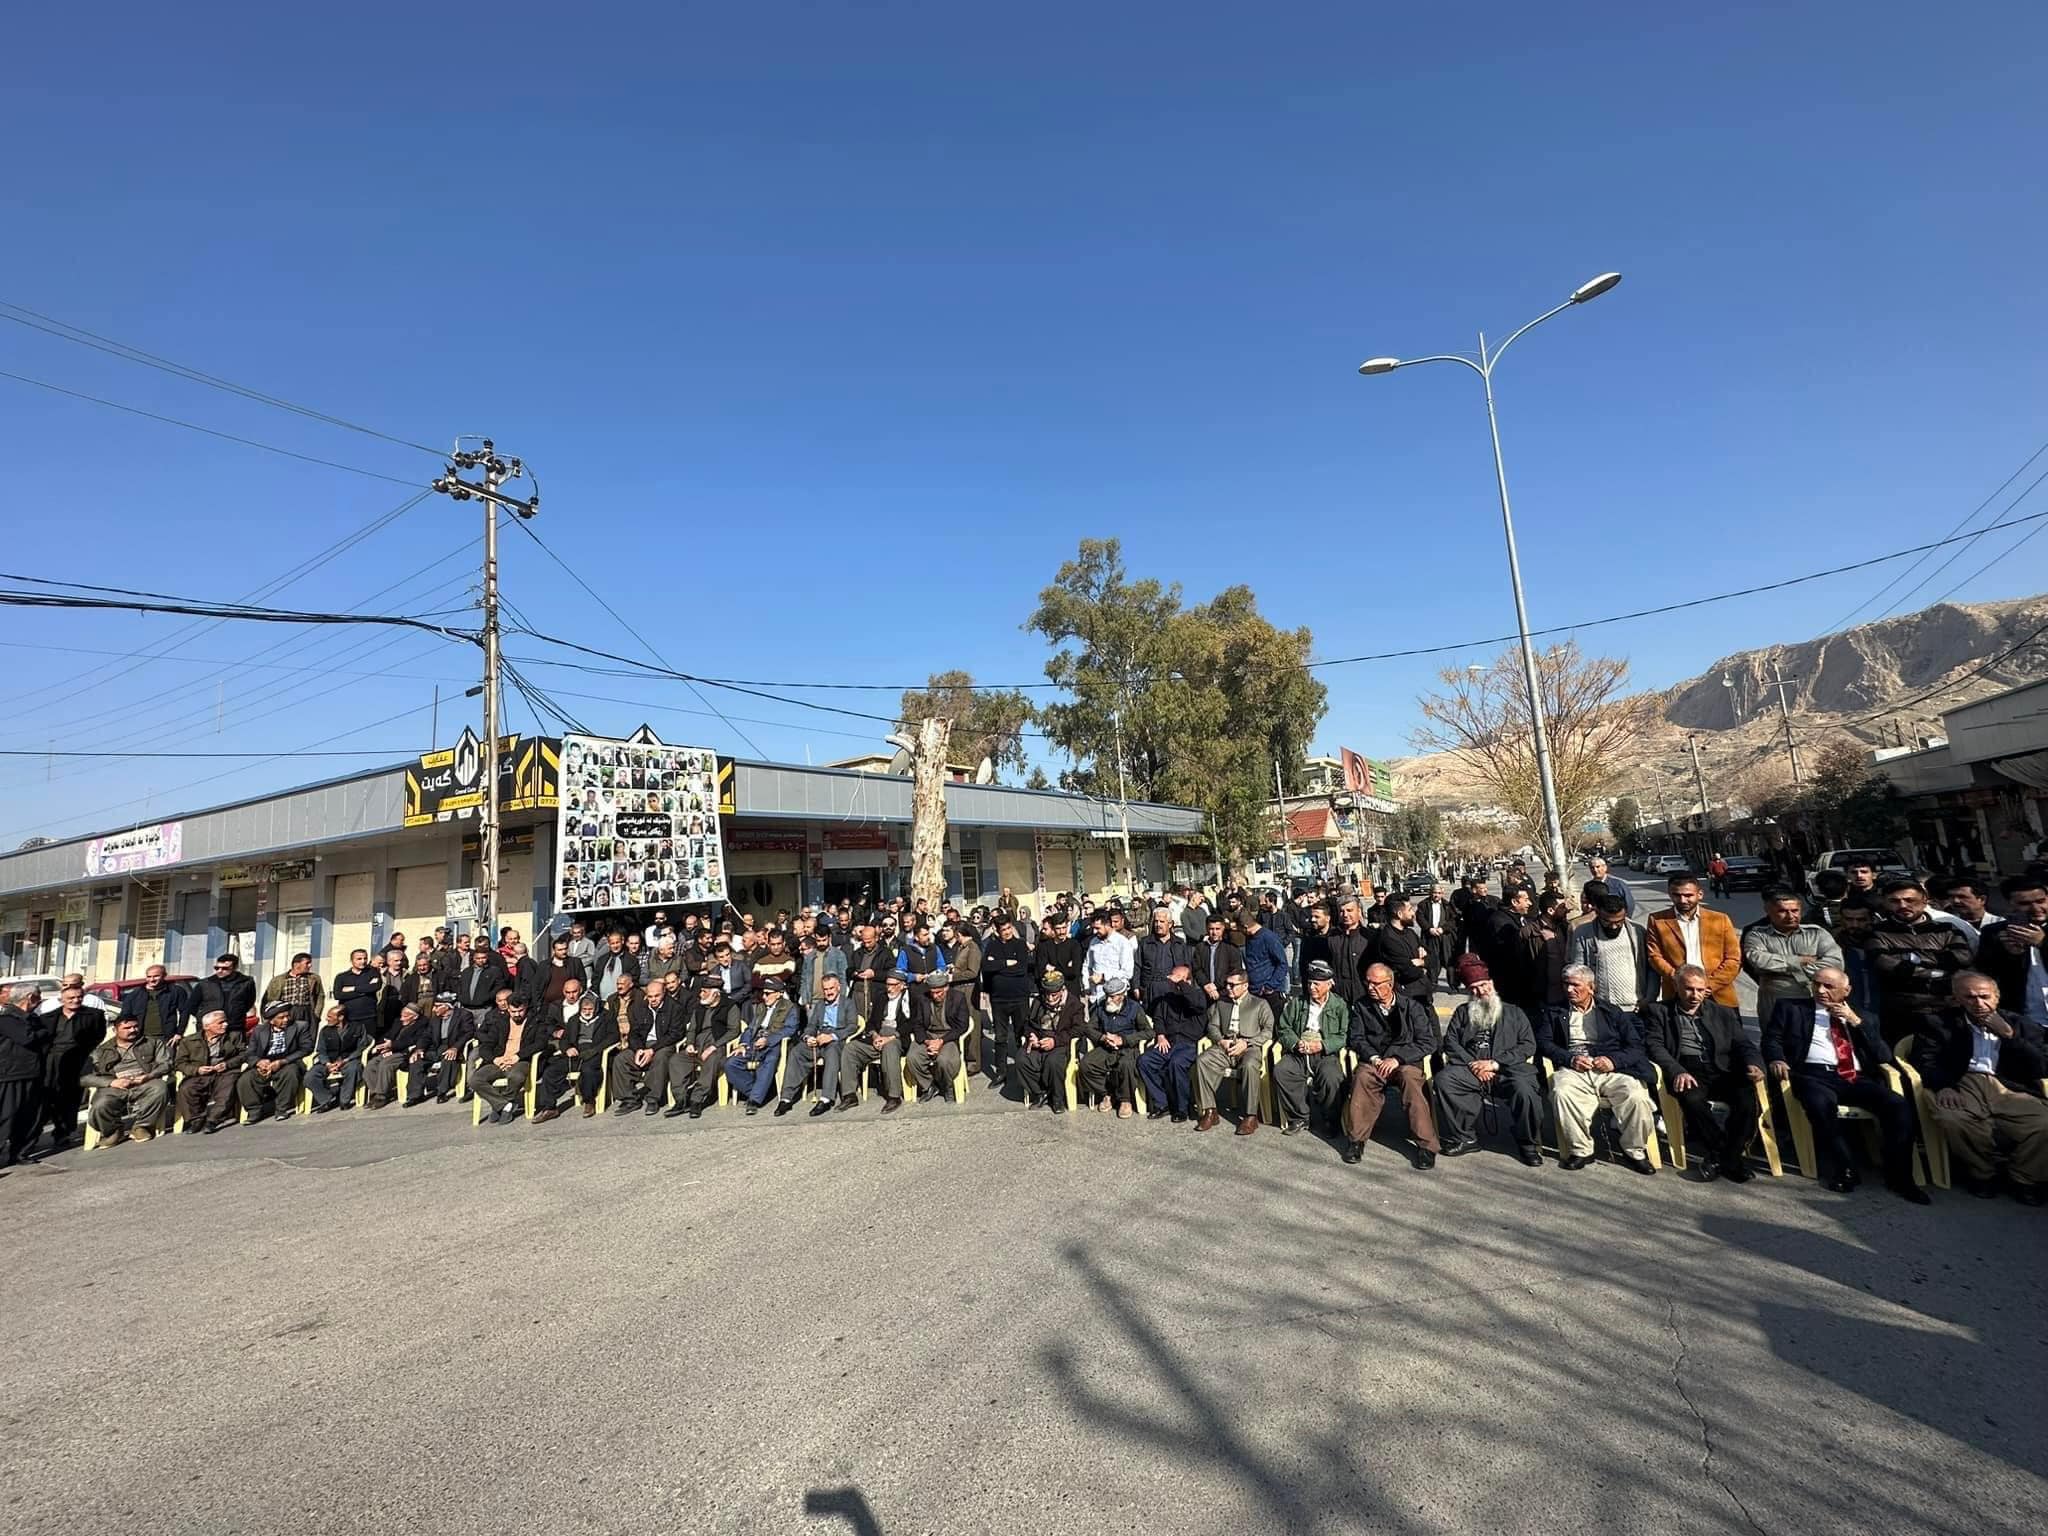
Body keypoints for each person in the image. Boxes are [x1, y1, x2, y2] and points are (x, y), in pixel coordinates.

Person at [1764, 965, 1927, 1202]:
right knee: (1820, 1104)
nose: (1820, 990)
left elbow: (1883, 1056)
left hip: (1855, 1077)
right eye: (1816, 984)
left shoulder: (1864, 1017)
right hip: (1813, 1074)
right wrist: (1777, 1059)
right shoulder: (1791, 1008)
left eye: (1828, 986)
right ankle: (1845, 1167)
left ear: (1846, 990)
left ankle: (1901, 1178)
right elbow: (1772, 1039)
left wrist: (1855, 1022)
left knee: (1898, 1105)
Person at [1909, 971, 2048, 1203]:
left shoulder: (2021, 1024)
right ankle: (1983, 1173)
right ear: (1957, 999)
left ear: (1997, 997)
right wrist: (1943, 1086)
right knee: (1954, 1118)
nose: (1979, 1003)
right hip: (1961, 1081)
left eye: (1985, 996)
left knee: (2044, 1124)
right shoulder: (1937, 1023)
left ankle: (2025, 1178)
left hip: (2008, 1086)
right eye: (1970, 997)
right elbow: (1924, 1060)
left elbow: (2041, 1066)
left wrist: (2009, 1035)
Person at [1640, 964, 1764, 1182]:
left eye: (1700, 990)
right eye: (1689, 989)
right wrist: (1677, 1070)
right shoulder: (1659, 1012)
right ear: (1677, 987)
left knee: (1746, 1100)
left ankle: (1724, 1156)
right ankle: (1727, 1157)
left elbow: (1743, 1044)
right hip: (1687, 1069)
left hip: (1721, 1068)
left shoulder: (1723, 1013)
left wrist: (1754, 1063)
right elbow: (1655, 1046)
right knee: (1693, 1100)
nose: (1695, 995)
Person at [1537, 964, 1657, 1174]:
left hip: (1611, 1070)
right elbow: (1544, 1043)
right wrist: (1570, 1059)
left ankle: (1634, 1150)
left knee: (1636, 1096)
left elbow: (1636, 1046)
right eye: (1566, 984)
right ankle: (1581, 1149)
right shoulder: (1554, 1012)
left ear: (1591, 987)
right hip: (1574, 1069)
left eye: (1575, 985)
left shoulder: (1612, 1012)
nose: (1569, 990)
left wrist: (1613, 1061)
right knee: (1561, 1091)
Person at [1433, 957, 1544, 1167]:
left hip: (1507, 1070)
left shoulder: (1514, 1012)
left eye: (1483, 985)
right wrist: (1473, 1065)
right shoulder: (1462, 1012)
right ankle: (1466, 1137)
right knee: (1445, 1080)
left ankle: (1527, 1143)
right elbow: (1451, 1043)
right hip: (1471, 1069)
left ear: (1491, 983)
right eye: (1474, 988)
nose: (1480, 991)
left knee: (1525, 1090)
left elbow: (1528, 1045)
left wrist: (1495, 1064)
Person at [1339, 964, 1442, 1168]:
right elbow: (1356, 1038)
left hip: (1404, 1062)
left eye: (1376, 984)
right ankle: (1356, 1141)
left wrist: (1398, 1059)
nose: (1370, 987)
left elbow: (1427, 1042)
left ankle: (1426, 1146)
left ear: (1390, 984)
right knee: (1363, 1078)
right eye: (1368, 982)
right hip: (1375, 1060)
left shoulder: (1412, 1007)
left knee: (1412, 1081)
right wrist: (1374, 1058)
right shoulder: (1362, 1006)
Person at [1865, 877, 1974, 1043]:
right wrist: (1939, 971)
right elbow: (1886, 964)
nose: (1902, 906)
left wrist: (1911, 957)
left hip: (1947, 1008)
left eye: (1910, 900)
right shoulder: (1877, 932)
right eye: (1894, 901)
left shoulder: (1947, 928)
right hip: (1902, 1011)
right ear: (1885, 903)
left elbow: (1962, 957)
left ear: (1924, 900)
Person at [1742, 890, 1846, 1025]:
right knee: (1776, 1036)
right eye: (1782, 911)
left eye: (1795, 911)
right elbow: (1758, 960)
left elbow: (1836, 963)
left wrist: (1781, 968)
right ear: (1768, 911)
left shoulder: (1817, 933)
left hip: (1813, 997)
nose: (1790, 916)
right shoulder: (1757, 936)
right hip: (1775, 999)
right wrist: (1799, 961)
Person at [1272, 960, 1348, 1136]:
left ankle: (1330, 1119)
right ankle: (1300, 1117)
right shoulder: (1297, 1003)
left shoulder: (1339, 1005)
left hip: (1324, 1053)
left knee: (1332, 1077)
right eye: (1309, 983)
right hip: (1299, 1051)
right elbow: (1283, 1028)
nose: (1311, 987)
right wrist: (1295, 1043)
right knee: (1282, 1071)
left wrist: (1322, 1045)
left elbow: (1343, 1035)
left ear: (1329, 985)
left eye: (1316, 984)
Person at [1646, 874, 1743, 1006]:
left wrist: (1710, 985)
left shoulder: (1720, 920)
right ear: (1670, 894)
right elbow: (1654, 956)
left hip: (1718, 994)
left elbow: (1734, 958)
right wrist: (1678, 980)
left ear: (1700, 894)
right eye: (1677, 895)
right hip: (1677, 994)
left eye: (1688, 895)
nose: (1682, 900)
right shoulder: (1658, 920)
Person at [1195, 968, 1270, 1135]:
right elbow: (1212, 1026)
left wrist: (1247, 1042)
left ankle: (1250, 1116)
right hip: (1226, 1045)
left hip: (1249, 1047)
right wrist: (1220, 1041)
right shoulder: (1222, 1003)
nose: (1228, 988)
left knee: (1250, 1065)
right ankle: (1210, 1111)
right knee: (1203, 1060)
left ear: (1245, 985)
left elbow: (1268, 1030)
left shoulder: (1259, 1004)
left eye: (1232, 985)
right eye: (1227, 984)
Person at [80, 1014, 170, 1149]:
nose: (133, 1030)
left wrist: (149, 1076)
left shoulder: (152, 1043)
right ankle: (113, 1131)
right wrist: (111, 1083)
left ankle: (142, 1126)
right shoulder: (101, 1051)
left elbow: (166, 1064)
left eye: (135, 1026)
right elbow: (84, 1077)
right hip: (114, 1086)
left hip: (145, 1082)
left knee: (160, 1088)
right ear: (115, 1030)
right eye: (127, 1028)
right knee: (100, 1104)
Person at [1971, 873, 2048, 1027]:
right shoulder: (1994, 933)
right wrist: (2011, 955)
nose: (2036, 908)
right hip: (2025, 1019)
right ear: (2010, 904)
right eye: (2025, 903)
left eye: (2041, 901)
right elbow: (1986, 975)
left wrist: (2043, 943)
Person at [1136, 964, 1208, 1123]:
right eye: (1173, 978)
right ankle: (1162, 1103)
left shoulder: (1198, 995)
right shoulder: (1167, 998)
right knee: (1144, 1061)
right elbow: (1158, 1018)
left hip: (1189, 1044)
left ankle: (1182, 1108)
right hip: (1169, 1042)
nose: (1174, 982)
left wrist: (1181, 983)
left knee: (1176, 1063)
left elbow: (1197, 1005)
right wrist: (1161, 1035)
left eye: (1179, 979)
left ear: (1188, 981)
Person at [39, 981, 104, 1153]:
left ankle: (63, 1134)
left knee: (69, 1099)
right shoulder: (48, 1017)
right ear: (62, 999)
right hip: (51, 1061)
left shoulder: (94, 1015)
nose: (75, 1000)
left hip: (77, 1060)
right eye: (71, 998)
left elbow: (98, 1036)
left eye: (79, 997)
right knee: (47, 1097)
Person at [667, 971, 742, 1118]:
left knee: (712, 1060)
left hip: (717, 1045)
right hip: (698, 1045)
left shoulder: (730, 1006)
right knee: (676, 1060)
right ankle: (681, 1099)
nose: (701, 994)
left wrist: (714, 1046)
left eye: (704, 992)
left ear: (715, 994)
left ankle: (697, 1099)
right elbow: (692, 1029)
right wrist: (690, 1043)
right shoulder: (699, 1007)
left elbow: (734, 1030)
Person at [778, 972, 854, 1117]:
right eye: (825, 989)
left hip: (836, 1039)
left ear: (838, 987)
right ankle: (786, 1098)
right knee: (797, 1052)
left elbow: (852, 1026)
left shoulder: (848, 1003)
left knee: (832, 1053)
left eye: (831, 988)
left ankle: (826, 1099)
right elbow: (811, 1025)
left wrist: (831, 1036)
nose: (828, 992)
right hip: (819, 1037)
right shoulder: (820, 1005)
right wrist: (808, 1037)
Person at [724, 973, 801, 1114]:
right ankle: (756, 1091)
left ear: (778, 994)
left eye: (768, 994)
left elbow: (790, 1029)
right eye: (763, 993)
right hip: (755, 1041)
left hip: (773, 1043)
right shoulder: (761, 1007)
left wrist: (768, 1040)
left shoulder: (790, 1008)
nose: (764, 997)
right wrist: (743, 1044)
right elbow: (750, 1028)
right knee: (730, 1063)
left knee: (770, 1061)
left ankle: (754, 1100)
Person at [839, 970, 910, 1113]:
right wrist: (875, 1036)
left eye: (893, 985)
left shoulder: (911, 999)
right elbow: (871, 1022)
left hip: (896, 1037)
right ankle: (849, 1094)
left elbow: (912, 1024)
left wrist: (890, 1038)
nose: (889, 988)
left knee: (889, 1048)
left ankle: (894, 1096)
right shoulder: (881, 997)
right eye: (887, 984)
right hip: (879, 1036)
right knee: (851, 1048)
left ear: (902, 985)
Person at [534, 990, 611, 1123]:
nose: (587, 1012)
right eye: (584, 1009)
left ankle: (589, 1101)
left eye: (590, 1009)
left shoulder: (606, 1018)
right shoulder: (574, 1020)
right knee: (551, 1071)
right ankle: (549, 1107)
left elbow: (612, 1037)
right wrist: (567, 1048)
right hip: (575, 1052)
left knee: (588, 1071)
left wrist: (595, 1050)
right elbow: (564, 1040)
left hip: (594, 1052)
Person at [979, 911, 1035, 1090]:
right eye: (1003, 930)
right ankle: (1001, 1072)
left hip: (1019, 997)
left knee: (1021, 1034)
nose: (1008, 932)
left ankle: (1024, 1069)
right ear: (997, 931)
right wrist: (1006, 963)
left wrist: (998, 967)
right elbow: (986, 967)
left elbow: (1021, 969)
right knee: (1000, 1037)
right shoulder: (992, 946)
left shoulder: (1020, 944)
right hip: (999, 999)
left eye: (1009, 928)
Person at [1570, 895, 1653, 1016]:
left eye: (1619, 922)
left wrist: (1649, 998)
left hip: (1636, 1008)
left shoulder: (1638, 932)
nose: (1613, 927)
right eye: (1607, 922)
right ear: (1597, 913)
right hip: (1601, 1009)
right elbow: (1579, 971)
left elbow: (1652, 968)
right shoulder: (1583, 933)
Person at [1017, 966, 1084, 1113]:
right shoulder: (1038, 1001)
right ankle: (1039, 1093)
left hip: (1061, 1043)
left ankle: (1057, 1098)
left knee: (1053, 1062)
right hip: (1040, 1040)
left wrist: (1055, 1041)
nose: (1050, 998)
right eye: (1047, 994)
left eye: (1054, 995)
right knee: (1022, 1059)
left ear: (1061, 990)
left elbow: (1078, 1030)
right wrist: (1031, 1036)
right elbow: (1028, 1023)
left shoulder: (1074, 1004)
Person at [1078, 976, 1147, 1117]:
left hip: (1127, 1047)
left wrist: (1124, 1040)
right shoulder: (1101, 1007)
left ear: (1122, 995)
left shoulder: (1134, 1008)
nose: (1109, 1000)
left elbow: (1148, 1032)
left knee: (1126, 1065)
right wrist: (1103, 1038)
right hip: (1106, 1046)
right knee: (1086, 1064)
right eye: (1107, 996)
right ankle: (1107, 1093)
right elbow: (1089, 1028)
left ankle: (1125, 1100)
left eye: (1113, 997)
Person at [470, 992, 542, 1126]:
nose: (517, 1014)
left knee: (516, 1077)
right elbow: (486, 1045)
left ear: (526, 1007)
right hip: (499, 1059)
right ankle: (505, 1105)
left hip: (520, 1060)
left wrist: (518, 1056)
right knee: (475, 1080)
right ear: (508, 1009)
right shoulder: (500, 1022)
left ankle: (501, 1105)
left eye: (520, 1011)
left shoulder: (535, 1021)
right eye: (513, 1011)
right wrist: (495, 1059)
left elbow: (540, 1043)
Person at [611, 976, 680, 1115]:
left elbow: (675, 1034)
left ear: (664, 993)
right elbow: (634, 1033)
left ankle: (653, 1099)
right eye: (650, 996)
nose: (653, 999)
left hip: (662, 1044)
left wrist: (652, 1050)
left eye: (657, 996)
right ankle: (630, 1099)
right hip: (642, 1044)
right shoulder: (639, 1008)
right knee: (621, 1059)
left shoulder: (674, 1007)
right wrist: (638, 1049)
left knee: (661, 1058)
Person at [1, 984, 54, 1164]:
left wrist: (42, 1032)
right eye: (38, 997)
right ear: (30, 997)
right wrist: (43, 1032)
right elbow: (27, 1038)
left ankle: (20, 1153)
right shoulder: (7, 1018)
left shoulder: (33, 1019)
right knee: (7, 1117)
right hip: (11, 1075)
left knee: (30, 1116)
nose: (40, 1001)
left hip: (34, 1073)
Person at [172, 1008, 245, 1134]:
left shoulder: (234, 1036)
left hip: (225, 1072)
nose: (225, 1024)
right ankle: (196, 1119)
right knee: (186, 1089)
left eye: (225, 1021)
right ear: (207, 1026)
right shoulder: (189, 1041)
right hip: (200, 1074)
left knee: (226, 1091)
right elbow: (179, 1063)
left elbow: (244, 1054)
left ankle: (213, 1120)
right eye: (220, 1022)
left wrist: (227, 1064)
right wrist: (197, 1070)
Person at [239, 1001, 313, 1122]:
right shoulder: (259, 1030)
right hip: (265, 1063)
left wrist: (282, 1062)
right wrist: (258, 1062)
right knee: (245, 1079)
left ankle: (281, 1109)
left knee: (291, 1073)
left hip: (287, 1062)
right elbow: (249, 1053)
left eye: (287, 1016)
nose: (286, 1019)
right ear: (271, 1020)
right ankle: (254, 1111)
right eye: (281, 1017)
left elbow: (306, 1048)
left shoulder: (300, 1026)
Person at [905, 971, 971, 1104]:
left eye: (939, 992)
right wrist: (927, 1041)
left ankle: (947, 1086)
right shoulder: (922, 998)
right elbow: (917, 1024)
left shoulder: (958, 998)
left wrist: (941, 1041)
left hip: (949, 1036)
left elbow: (962, 1025)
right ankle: (929, 1086)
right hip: (928, 1035)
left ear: (946, 987)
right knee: (912, 1057)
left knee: (945, 1061)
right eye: (933, 993)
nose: (935, 996)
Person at [307, 1002, 368, 1113]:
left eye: (330, 1017)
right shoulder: (325, 1031)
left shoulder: (357, 1028)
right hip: (329, 1061)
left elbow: (361, 1047)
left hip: (348, 1060)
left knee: (353, 1069)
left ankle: (344, 1100)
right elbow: (321, 1050)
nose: (327, 1019)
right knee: (310, 1076)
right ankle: (326, 1100)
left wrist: (346, 1060)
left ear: (341, 1017)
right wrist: (327, 1064)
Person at [1371, 897, 1432, 1002]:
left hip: (1422, 993)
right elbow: (1408, 971)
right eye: (1410, 910)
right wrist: (1423, 967)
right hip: (1406, 998)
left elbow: (1433, 959)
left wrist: (1422, 962)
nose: (1413, 913)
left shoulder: (1410, 933)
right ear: (1399, 914)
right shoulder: (1388, 939)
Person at [116, 965, 190, 1044]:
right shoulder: (134, 995)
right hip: (141, 1038)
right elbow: (124, 1017)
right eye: (149, 977)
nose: (152, 979)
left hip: (167, 1038)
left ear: (164, 975)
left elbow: (185, 1012)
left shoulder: (176, 991)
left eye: (156, 976)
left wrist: (179, 1033)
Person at [189, 953, 257, 1033]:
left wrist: (237, 1014)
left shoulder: (246, 983)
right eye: (217, 968)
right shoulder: (205, 983)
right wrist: (203, 1016)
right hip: (210, 1028)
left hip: (234, 1028)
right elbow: (192, 1005)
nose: (220, 971)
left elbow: (249, 1002)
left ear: (235, 968)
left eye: (225, 968)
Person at [1327, 898, 1374, 1011]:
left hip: (1362, 992)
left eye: (1349, 910)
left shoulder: (1369, 937)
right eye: (1342, 911)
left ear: (1359, 911)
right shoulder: (1331, 937)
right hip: (1338, 993)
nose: (1345, 915)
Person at [1416, 883, 1460, 993]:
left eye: (1439, 893)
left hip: (1444, 937)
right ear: (1430, 893)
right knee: (1433, 961)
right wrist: (1429, 928)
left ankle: (1453, 985)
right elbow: (1420, 918)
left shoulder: (1447, 905)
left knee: (1449, 961)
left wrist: (1443, 929)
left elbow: (1453, 920)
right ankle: (1432, 985)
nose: (1436, 895)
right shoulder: (1423, 905)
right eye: (1434, 893)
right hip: (1430, 937)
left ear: (1442, 894)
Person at [458, 938, 511, 1012]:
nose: (481, 960)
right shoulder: (467, 971)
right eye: (478, 958)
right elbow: (460, 986)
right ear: (474, 959)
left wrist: (488, 997)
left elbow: (500, 985)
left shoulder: (494, 970)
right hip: (466, 1007)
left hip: (484, 1008)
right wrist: (461, 998)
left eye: (483, 958)